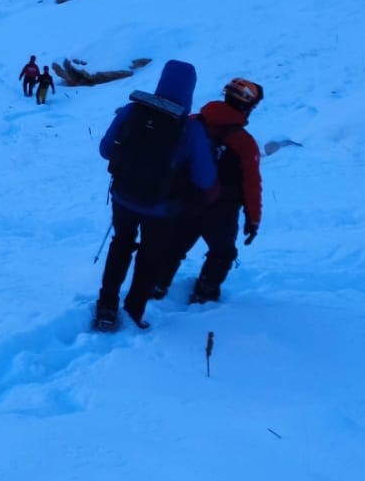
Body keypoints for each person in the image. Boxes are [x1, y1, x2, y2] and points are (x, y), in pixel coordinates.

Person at [92, 59, 215, 331]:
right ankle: (134, 311)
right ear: (190, 90)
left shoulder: (133, 110)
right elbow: (205, 178)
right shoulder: (190, 128)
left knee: (121, 244)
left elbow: (105, 149)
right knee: (150, 255)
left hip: (124, 196)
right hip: (162, 206)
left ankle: (106, 306)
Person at [156, 78, 266, 304]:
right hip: (221, 211)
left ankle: (156, 286)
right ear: (245, 107)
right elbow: (251, 183)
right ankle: (204, 293)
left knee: (172, 247)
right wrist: (253, 219)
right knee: (222, 253)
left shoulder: (192, 122)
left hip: (184, 200)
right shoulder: (244, 142)